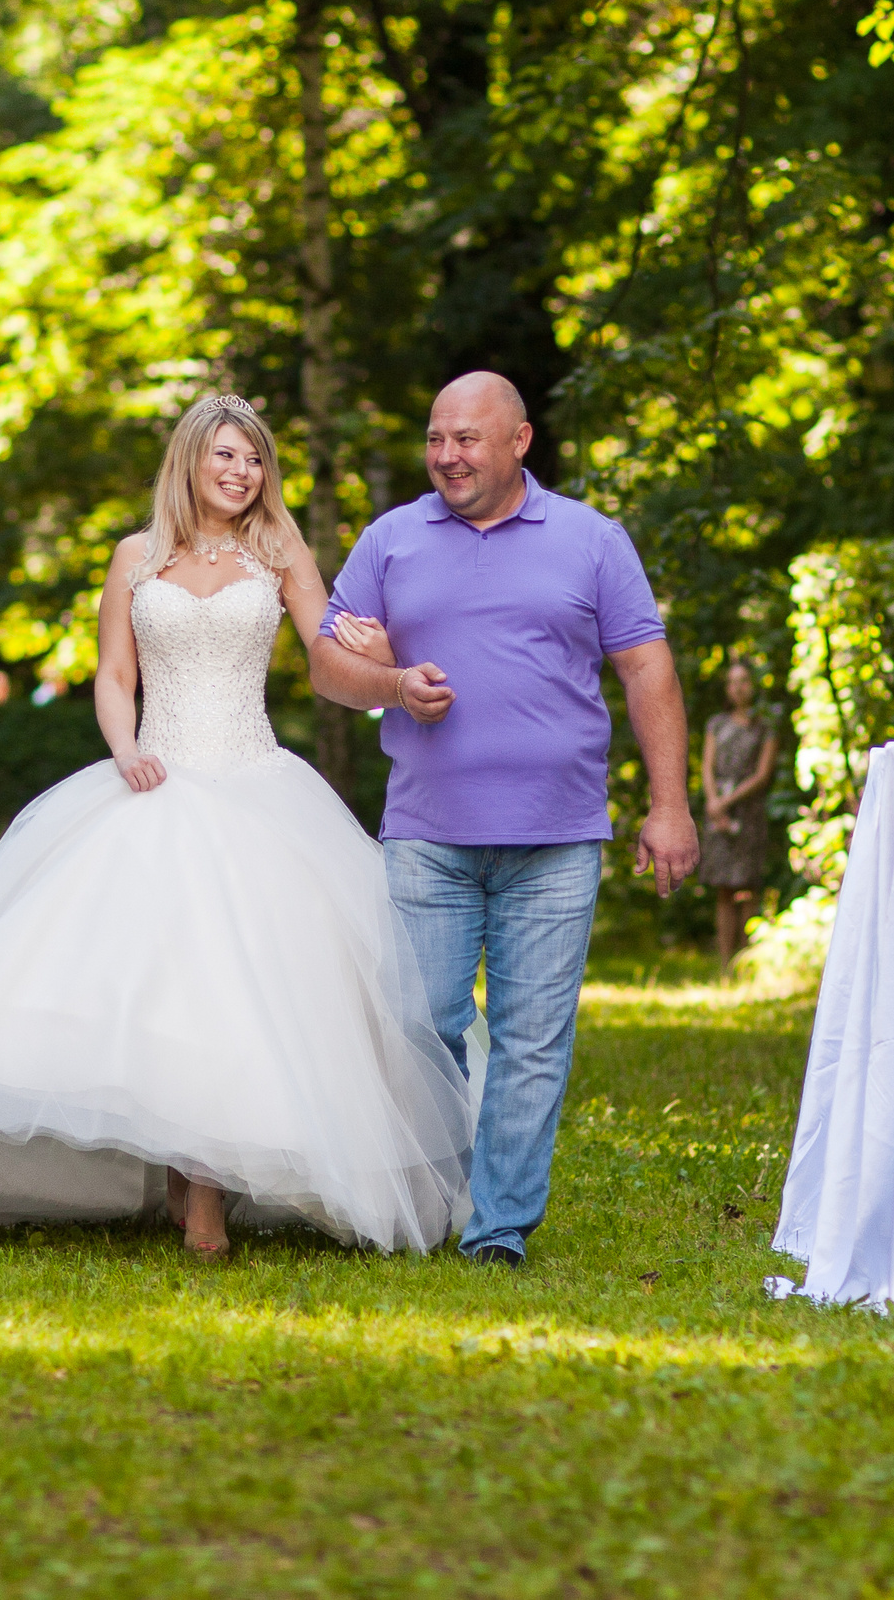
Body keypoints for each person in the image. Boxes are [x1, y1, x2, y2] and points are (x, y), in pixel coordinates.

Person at [0, 394, 472, 1257]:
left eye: (255, 460)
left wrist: (379, 659)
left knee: (233, 989)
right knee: (158, 989)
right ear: (190, 461)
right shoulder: (135, 556)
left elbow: (327, 657)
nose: (242, 473)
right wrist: (126, 749)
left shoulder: (278, 550)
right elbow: (115, 674)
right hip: (155, 774)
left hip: (255, 784)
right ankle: (182, 1186)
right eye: (226, 456)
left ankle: (204, 1200)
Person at [312, 371, 701, 1268]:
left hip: (557, 838)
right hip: (427, 833)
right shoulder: (391, 538)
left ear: (519, 442)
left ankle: (497, 1229)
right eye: (436, 438)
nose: (448, 455)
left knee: (532, 1041)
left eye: (468, 439)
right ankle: (430, 1195)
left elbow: (648, 669)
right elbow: (329, 665)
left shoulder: (591, 540)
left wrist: (669, 804)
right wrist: (393, 683)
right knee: (421, 1025)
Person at [699, 661, 779, 973]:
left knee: (748, 886)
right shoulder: (716, 724)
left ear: (753, 685)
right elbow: (707, 766)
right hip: (717, 810)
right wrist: (713, 802)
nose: (738, 687)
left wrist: (728, 801)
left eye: (744, 681)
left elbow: (762, 774)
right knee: (723, 888)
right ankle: (724, 964)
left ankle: (748, 959)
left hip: (748, 811)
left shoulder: (765, 728)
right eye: (732, 682)